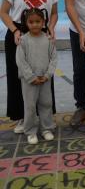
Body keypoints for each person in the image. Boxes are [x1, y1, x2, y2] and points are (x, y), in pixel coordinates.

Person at [1, 0, 58, 134]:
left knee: (43, 74)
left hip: (41, 34)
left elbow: (55, 13)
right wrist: (15, 31)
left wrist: (50, 27)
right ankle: (23, 118)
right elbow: (3, 12)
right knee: (20, 78)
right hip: (19, 33)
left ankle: (45, 118)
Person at [15, 8, 57, 145]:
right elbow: (20, 61)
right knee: (30, 106)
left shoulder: (48, 39)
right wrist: (31, 77)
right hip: (29, 82)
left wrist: (47, 75)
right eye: (31, 22)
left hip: (44, 79)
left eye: (38, 21)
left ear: (43, 22)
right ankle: (31, 131)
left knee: (46, 104)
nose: (35, 25)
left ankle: (46, 129)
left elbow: (54, 59)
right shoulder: (23, 41)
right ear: (26, 23)